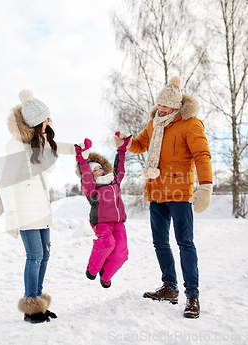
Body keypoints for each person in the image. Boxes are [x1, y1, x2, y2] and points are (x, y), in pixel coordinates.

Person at [116, 76, 213, 319]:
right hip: (156, 191)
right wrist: (126, 142)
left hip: (180, 193)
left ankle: (192, 296)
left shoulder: (191, 124)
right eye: (159, 104)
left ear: (177, 106)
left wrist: (206, 187)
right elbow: (140, 144)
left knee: (185, 243)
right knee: (159, 242)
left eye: (166, 106)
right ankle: (170, 287)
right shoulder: (154, 123)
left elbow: (202, 155)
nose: (161, 109)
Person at [0, 89, 90, 324]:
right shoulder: (16, 146)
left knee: (45, 254)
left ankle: (38, 300)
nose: (48, 122)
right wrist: (11, 215)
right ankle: (31, 306)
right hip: (25, 210)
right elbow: (5, 182)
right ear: (34, 122)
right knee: (35, 256)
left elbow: (56, 145)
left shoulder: (41, 141)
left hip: (41, 207)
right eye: (45, 119)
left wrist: (77, 148)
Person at [75, 133, 131, 289]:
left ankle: (106, 275)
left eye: (100, 168)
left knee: (122, 253)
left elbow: (119, 167)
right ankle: (92, 269)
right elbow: (85, 176)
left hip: (119, 222)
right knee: (107, 243)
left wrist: (121, 149)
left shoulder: (114, 180)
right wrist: (81, 159)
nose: (99, 171)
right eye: (95, 170)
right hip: (102, 223)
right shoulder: (91, 187)